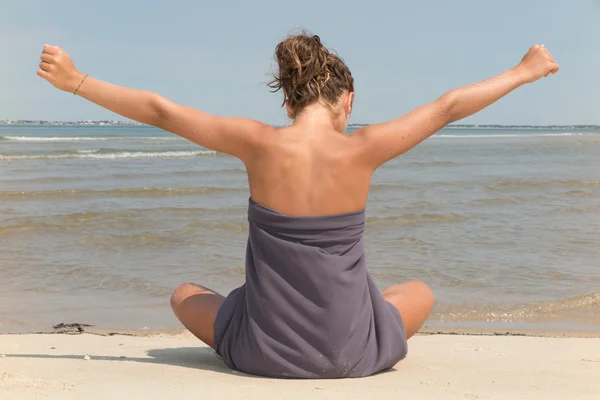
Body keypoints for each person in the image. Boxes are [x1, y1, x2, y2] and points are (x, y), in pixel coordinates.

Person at [37, 32, 559, 379]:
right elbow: (448, 107)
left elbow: (161, 111)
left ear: (287, 103)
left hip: (263, 352)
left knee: (183, 294)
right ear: (347, 100)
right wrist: (523, 71)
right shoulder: (364, 146)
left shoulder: (258, 142)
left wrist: (76, 81)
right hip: (352, 352)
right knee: (418, 291)